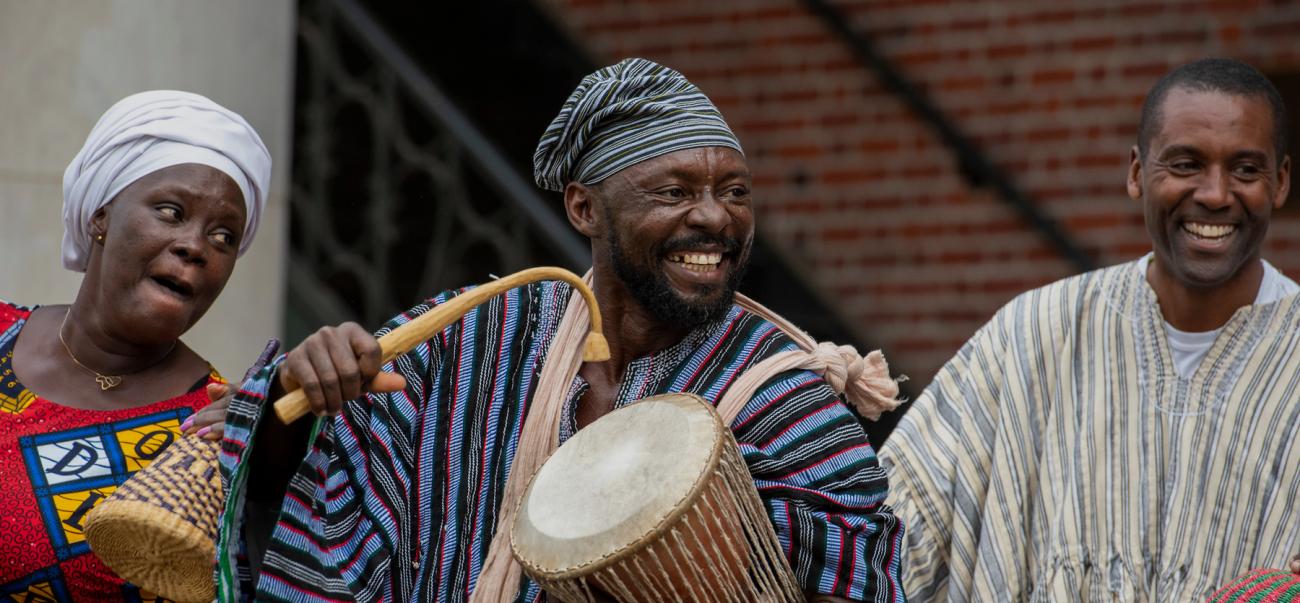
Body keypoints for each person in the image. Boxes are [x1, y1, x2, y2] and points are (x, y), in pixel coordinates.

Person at [216, 58, 906, 602]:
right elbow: (315, 483)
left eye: (735, 192)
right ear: (584, 208)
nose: (715, 219)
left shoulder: (785, 397)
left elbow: (855, 569)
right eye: (674, 192)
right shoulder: (472, 336)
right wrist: (293, 396)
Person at [880, 57, 1299, 601]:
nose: (1216, 194)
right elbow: (893, 523)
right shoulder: (1031, 335)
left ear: (1281, 182)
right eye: (1185, 164)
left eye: (1246, 169)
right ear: (1135, 173)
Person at [0, 90, 272, 601]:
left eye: (224, 237)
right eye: (171, 211)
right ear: (101, 215)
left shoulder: (215, 429)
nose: (195, 246)